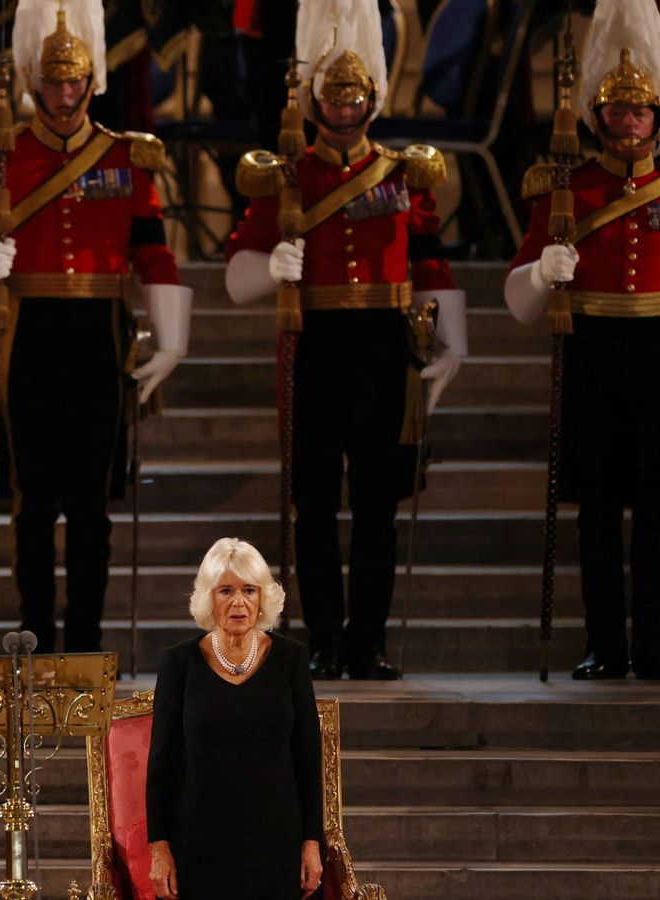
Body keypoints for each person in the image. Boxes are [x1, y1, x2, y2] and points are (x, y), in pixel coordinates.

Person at [224, 0, 468, 680]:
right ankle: (325, 639)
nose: (343, 109)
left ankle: (370, 641)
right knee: (315, 504)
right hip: (317, 340)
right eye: (332, 98)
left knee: (376, 509)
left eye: (355, 96)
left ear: (372, 98)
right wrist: (271, 265)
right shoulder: (286, 174)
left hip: (385, 344)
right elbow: (237, 266)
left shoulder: (402, 172)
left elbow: (430, 258)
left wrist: (452, 340)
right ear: (313, 100)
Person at [0, 0, 193, 655]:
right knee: (31, 504)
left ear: (92, 80)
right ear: (34, 82)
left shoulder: (128, 158)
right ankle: (33, 638)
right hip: (31, 334)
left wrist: (173, 338)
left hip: (100, 333)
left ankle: (85, 644)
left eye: (75, 80)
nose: (64, 93)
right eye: (52, 82)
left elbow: (154, 254)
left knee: (91, 507)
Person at [505, 0, 660, 680]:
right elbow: (516, 299)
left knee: (658, 515)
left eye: (640, 112)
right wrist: (543, 272)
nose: (628, 124)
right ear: (597, 118)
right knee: (597, 514)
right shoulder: (565, 188)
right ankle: (605, 645)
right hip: (593, 353)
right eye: (617, 113)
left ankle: (656, 644)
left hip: (659, 357)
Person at [146, 537, 323, 900]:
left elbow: (307, 759)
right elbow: (161, 762)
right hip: (199, 842)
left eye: (249, 590)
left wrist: (312, 842)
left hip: (277, 842)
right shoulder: (179, 664)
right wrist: (159, 847)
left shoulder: (291, 660)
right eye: (226, 590)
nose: (239, 602)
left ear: (263, 599)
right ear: (209, 598)